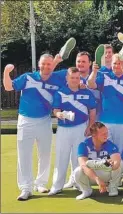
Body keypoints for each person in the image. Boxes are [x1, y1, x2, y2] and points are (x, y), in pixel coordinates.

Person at [3, 54, 66, 201]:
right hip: (25, 121)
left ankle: (41, 183)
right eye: (43, 64)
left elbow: (76, 76)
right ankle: (26, 188)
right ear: (39, 64)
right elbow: (8, 86)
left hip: (45, 120)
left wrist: (56, 61)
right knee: (24, 155)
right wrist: (6, 72)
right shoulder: (28, 77)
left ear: (53, 65)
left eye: (49, 64)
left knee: (45, 154)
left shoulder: (58, 78)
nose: (46, 67)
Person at [48, 67, 97, 195]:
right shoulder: (60, 93)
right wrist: (60, 115)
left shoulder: (87, 93)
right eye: (72, 78)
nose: (75, 80)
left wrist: (90, 126)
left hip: (81, 128)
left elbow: (92, 111)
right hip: (63, 129)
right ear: (67, 78)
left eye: (77, 78)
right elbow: (56, 110)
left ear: (80, 78)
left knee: (79, 157)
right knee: (61, 157)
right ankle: (57, 186)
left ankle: (78, 183)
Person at [87, 54, 123, 153]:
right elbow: (90, 84)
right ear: (111, 64)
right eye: (114, 63)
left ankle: (118, 168)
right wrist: (94, 71)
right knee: (105, 152)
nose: (116, 66)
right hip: (105, 122)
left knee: (120, 152)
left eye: (119, 63)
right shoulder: (104, 76)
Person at [73, 122, 123, 200]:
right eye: (103, 134)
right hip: (91, 176)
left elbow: (116, 162)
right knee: (78, 171)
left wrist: (106, 165)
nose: (106, 135)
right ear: (94, 135)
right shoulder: (83, 145)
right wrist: (97, 179)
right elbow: (83, 165)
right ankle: (86, 190)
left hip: (105, 173)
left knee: (121, 163)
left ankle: (112, 187)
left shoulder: (110, 144)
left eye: (106, 133)